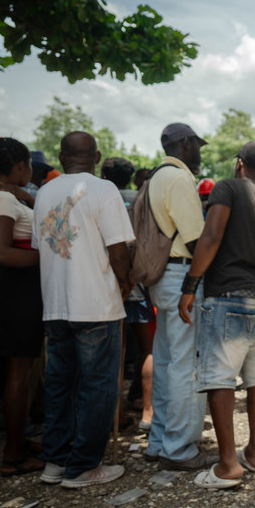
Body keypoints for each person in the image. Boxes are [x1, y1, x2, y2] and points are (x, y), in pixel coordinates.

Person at [176, 142, 255, 489]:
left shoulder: (227, 187)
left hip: (227, 296)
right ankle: (254, 452)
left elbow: (211, 236)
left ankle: (227, 464)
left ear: (240, 163)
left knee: (219, 378)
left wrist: (190, 285)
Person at [33, 132, 133, 488]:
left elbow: (39, 246)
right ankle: (83, 466)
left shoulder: (44, 192)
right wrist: (126, 282)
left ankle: (56, 462)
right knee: (98, 387)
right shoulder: (104, 190)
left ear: (61, 157)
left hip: (56, 304)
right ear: (97, 156)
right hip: (95, 305)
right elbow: (118, 251)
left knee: (59, 385)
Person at [0, 134, 44, 477]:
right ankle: (13, 453)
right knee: (18, 375)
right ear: (19, 166)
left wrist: (28, 197)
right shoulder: (3, 200)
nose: (31, 172)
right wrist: (46, 258)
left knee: (21, 373)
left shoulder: (2, 195)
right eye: (29, 166)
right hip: (14, 290)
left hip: (15, 289)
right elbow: (2, 252)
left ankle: (18, 439)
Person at [146, 123, 210, 470]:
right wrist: (200, 281)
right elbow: (195, 239)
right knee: (186, 366)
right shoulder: (179, 178)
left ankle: (159, 441)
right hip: (181, 275)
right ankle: (179, 448)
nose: (198, 152)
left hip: (161, 276)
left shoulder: (155, 176)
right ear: (184, 144)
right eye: (196, 145)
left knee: (167, 361)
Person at [102, 156, 155, 428]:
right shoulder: (141, 199)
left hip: (110, 283)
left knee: (116, 352)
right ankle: (148, 412)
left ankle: (116, 413)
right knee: (148, 349)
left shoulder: (98, 196)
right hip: (140, 282)